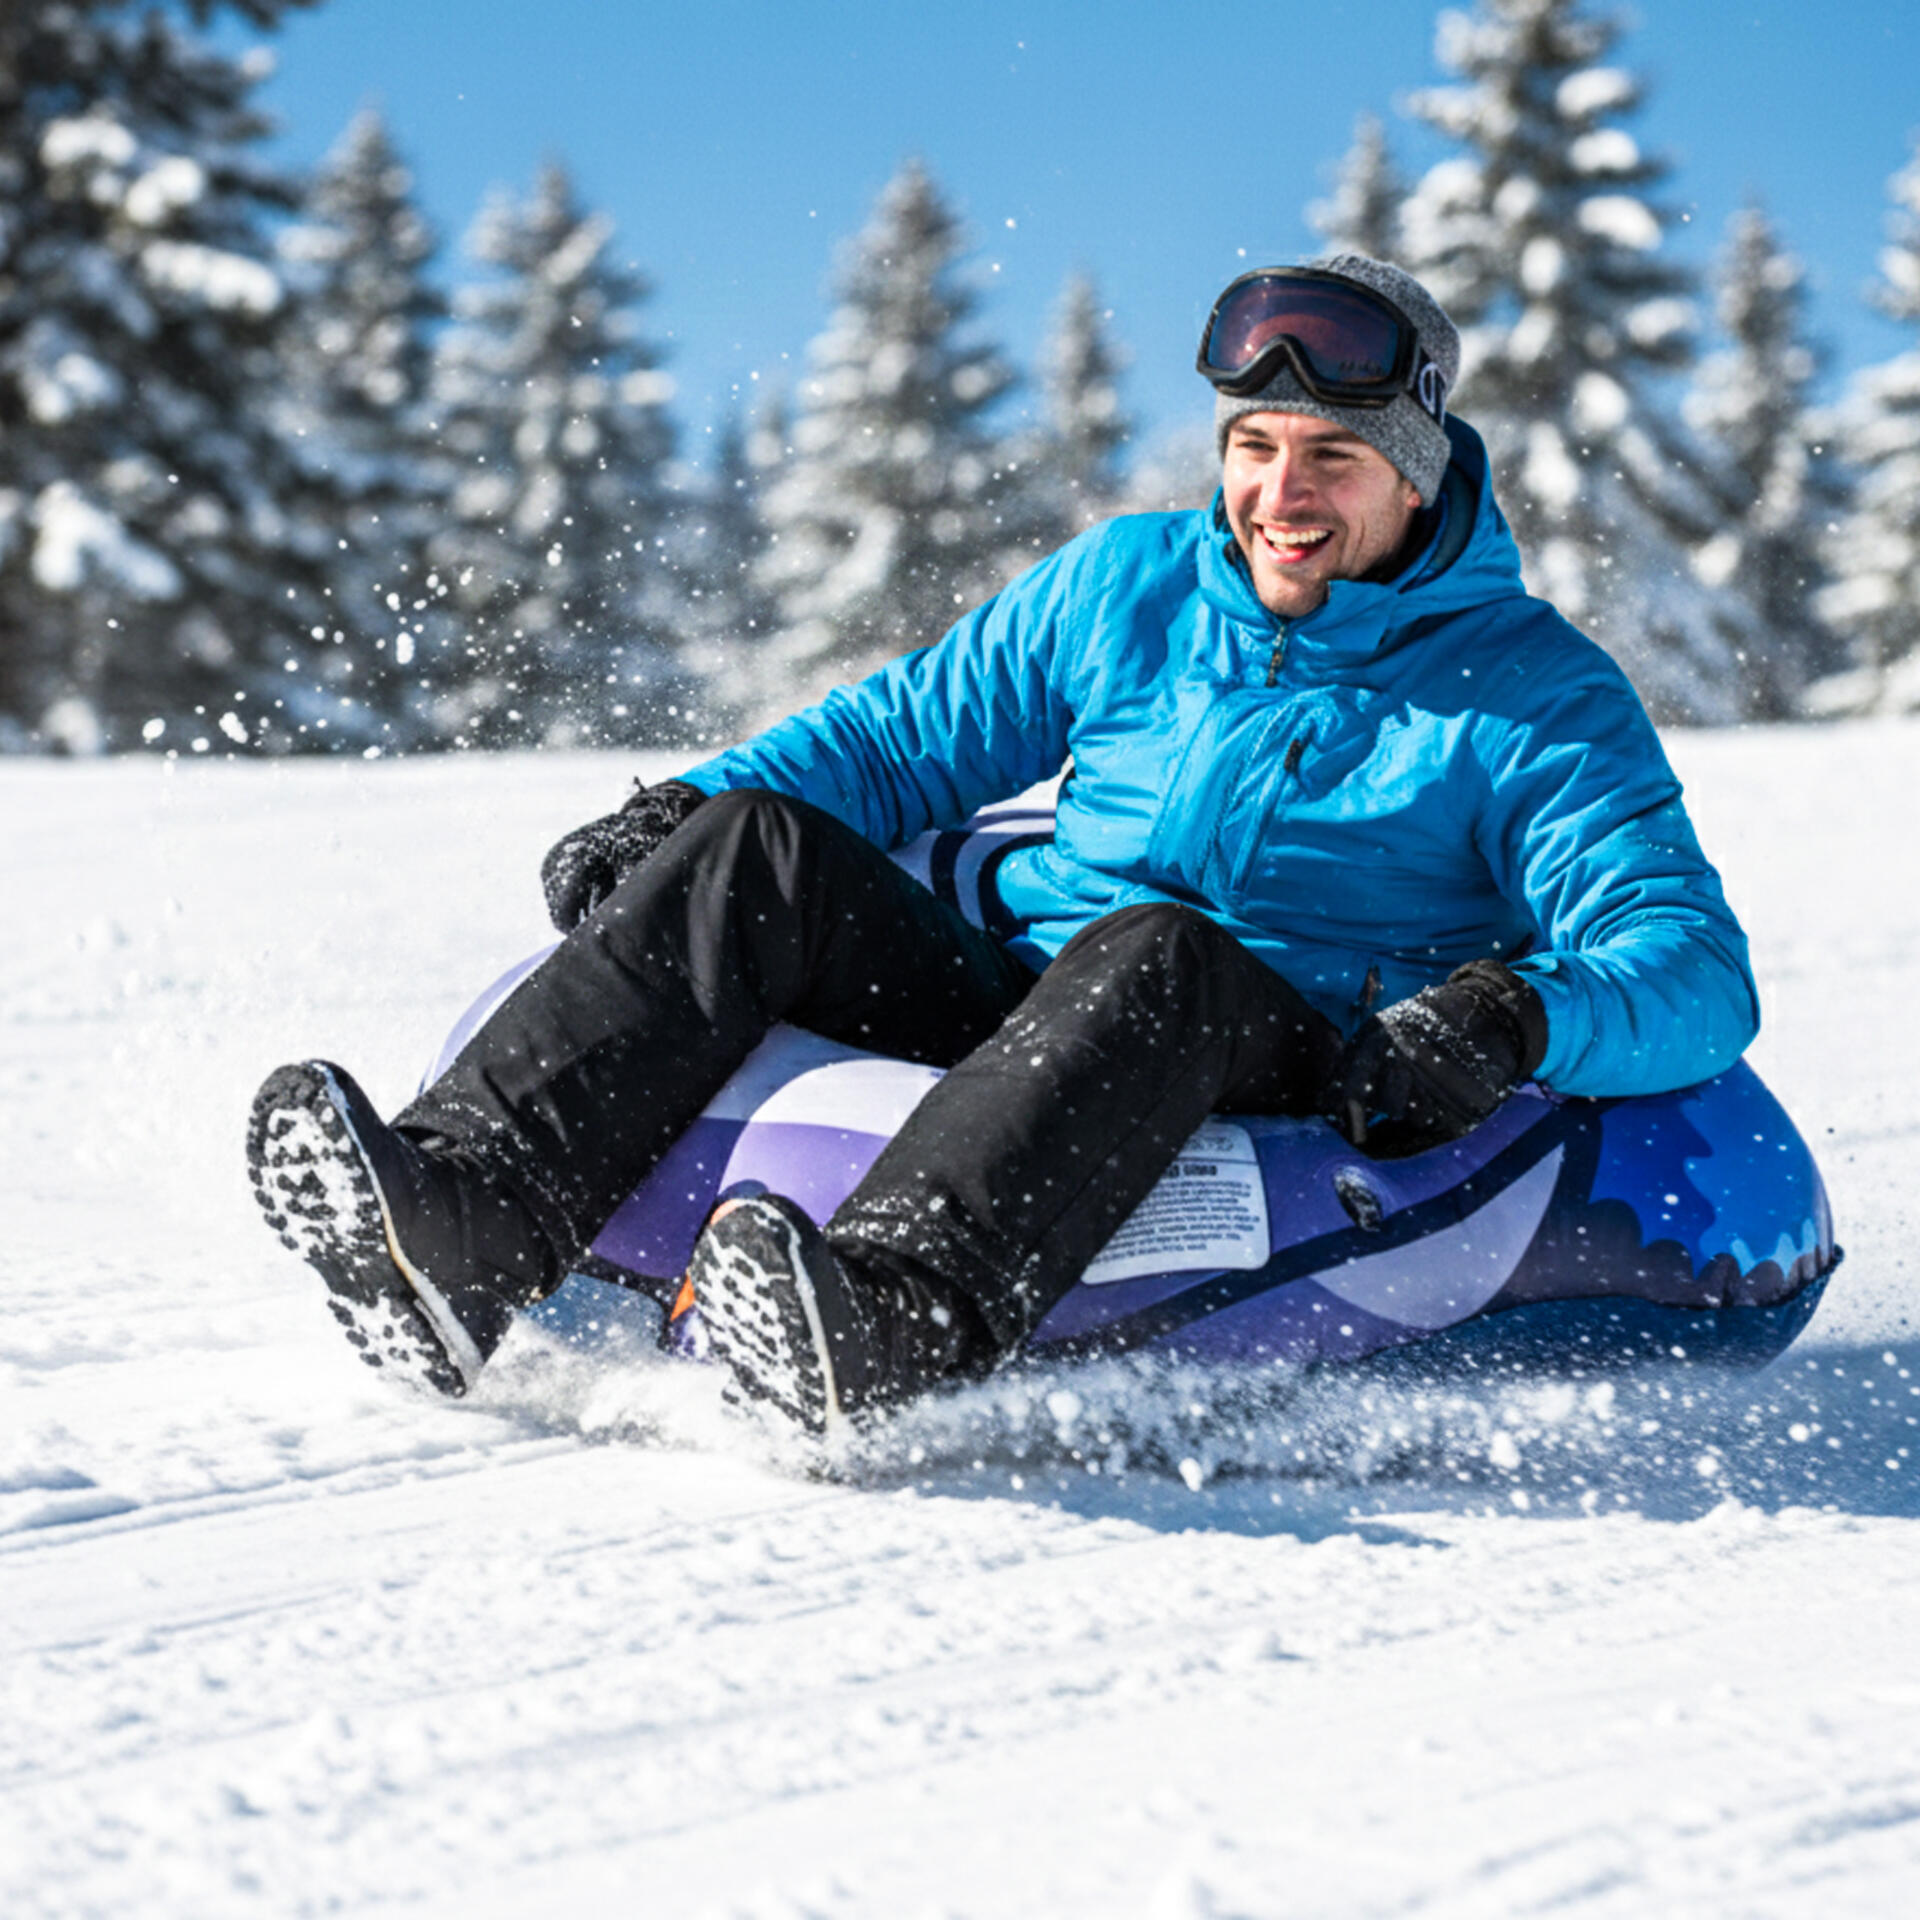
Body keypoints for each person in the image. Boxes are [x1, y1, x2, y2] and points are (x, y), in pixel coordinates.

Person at [248, 255, 1757, 1438]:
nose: (1279, 498)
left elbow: (1688, 963)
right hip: (1036, 1000)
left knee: (1155, 951)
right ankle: (465, 1223)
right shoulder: (1134, 583)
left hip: (1284, 1044)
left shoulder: (1533, 695)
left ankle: (892, 1321)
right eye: (1253, 447)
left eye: (1332, 460)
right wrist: (683, 806)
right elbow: (896, 740)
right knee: (756, 845)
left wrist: (1510, 1015)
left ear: (1419, 471)